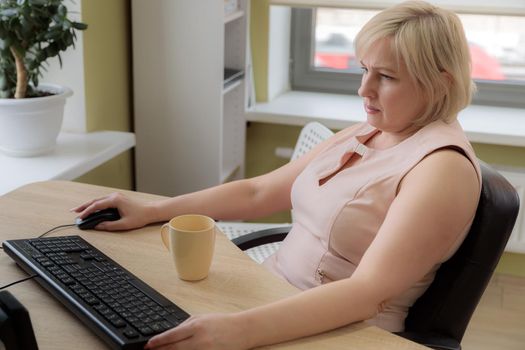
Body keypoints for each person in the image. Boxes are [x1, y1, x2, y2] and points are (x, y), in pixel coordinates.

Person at [72, 1, 481, 349]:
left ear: (439, 83)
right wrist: (151, 209)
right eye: (364, 69)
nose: (364, 89)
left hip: (340, 331)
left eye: (386, 76)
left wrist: (237, 330)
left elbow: (365, 294)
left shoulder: (442, 170)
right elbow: (258, 192)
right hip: (273, 301)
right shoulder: (373, 129)